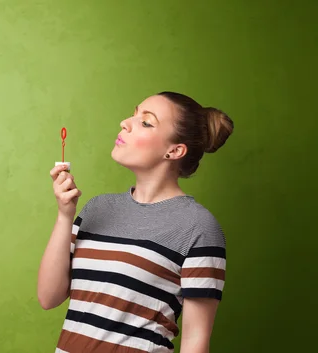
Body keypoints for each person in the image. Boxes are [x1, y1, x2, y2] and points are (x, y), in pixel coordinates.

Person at [37, 91, 234, 353]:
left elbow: (195, 341)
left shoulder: (198, 227)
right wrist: (65, 215)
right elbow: (49, 298)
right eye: (134, 113)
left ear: (174, 151)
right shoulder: (98, 208)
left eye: (146, 122)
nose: (125, 123)